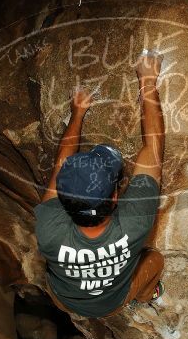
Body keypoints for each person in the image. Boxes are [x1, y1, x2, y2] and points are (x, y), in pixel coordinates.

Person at [35, 51, 166, 318]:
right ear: (115, 198)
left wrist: (77, 114)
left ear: (63, 200)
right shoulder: (135, 223)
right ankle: (144, 295)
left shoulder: (48, 229)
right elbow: (152, 151)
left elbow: (60, 165)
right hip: (111, 304)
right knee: (154, 260)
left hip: (65, 300)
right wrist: (148, 82)